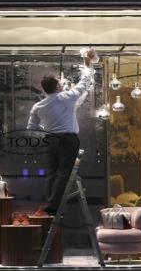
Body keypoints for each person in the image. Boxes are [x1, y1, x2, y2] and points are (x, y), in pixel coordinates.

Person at [27, 49, 97, 216]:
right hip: (68, 139)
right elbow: (85, 81)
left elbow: (31, 129)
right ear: (58, 86)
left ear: (45, 90)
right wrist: (88, 65)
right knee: (64, 172)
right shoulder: (68, 96)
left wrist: (47, 131)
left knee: (52, 172)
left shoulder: (38, 106)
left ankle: (50, 202)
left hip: (51, 140)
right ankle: (53, 206)